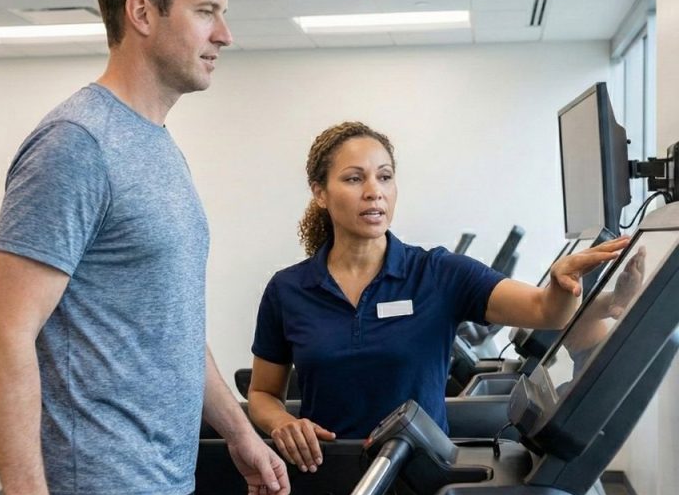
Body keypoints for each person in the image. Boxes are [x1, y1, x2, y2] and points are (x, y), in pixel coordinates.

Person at [0, 0, 289, 495]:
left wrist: (237, 430)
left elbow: (169, 324)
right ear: (142, 13)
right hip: (98, 494)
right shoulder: (76, 144)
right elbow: (3, 331)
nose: (224, 35)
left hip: (161, 479)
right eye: (206, 13)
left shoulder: (156, 144)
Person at [247, 121, 629, 473]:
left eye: (385, 177)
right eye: (353, 179)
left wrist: (562, 284)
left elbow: (545, 310)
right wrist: (281, 422)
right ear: (320, 193)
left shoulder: (438, 273)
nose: (373, 192)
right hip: (321, 485)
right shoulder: (288, 290)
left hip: (417, 483)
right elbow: (263, 393)